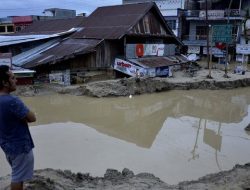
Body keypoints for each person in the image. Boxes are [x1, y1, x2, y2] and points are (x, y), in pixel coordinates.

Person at [0, 65, 36, 190]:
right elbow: (32, 118)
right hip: (20, 146)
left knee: (17, 172)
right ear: (5, 82)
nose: (16, 81)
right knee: (17, 176)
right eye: (13, 78)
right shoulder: (12, 101)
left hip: (6, 145)